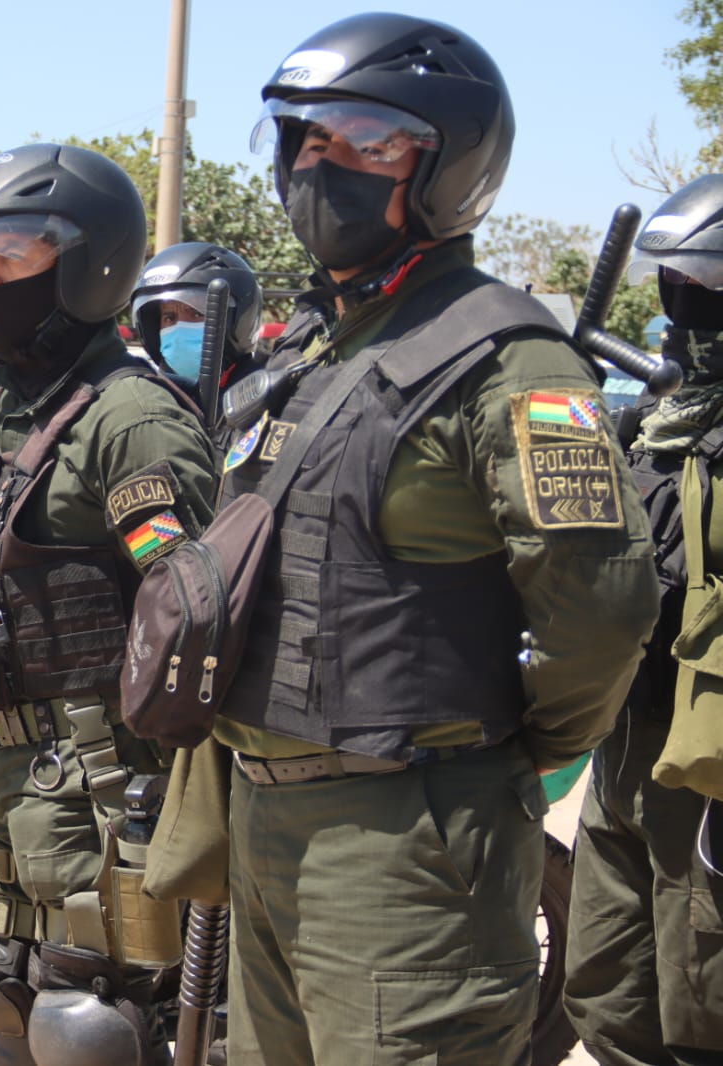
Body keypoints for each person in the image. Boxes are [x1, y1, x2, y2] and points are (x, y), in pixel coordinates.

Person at [212, 15, 659, 1065]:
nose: (319, 167)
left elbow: (601, 604)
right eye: (306, 139)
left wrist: (520, 747)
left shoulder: (510, 360)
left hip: (408, 844)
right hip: (267, 825)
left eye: (365, 143)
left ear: (450, 167)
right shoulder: (316, 350)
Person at [0, 143, 218, 1066]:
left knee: (88, 1021)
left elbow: (192, 615)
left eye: (11, 253)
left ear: (88, 267)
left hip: (94, 781)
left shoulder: (131, 420)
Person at [563, 174, 723, 1065]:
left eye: (704, 292)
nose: (683, 314)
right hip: (625, 740)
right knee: (608, 990)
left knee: (704, 1002)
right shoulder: (655, 426)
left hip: (707, 760)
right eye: (677, 289)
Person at [128, 241, 264, 415]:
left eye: (197, 313)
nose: (180, 328)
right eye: (169, 318)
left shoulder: (266, 401)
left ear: (237, 321)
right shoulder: (148, 403)